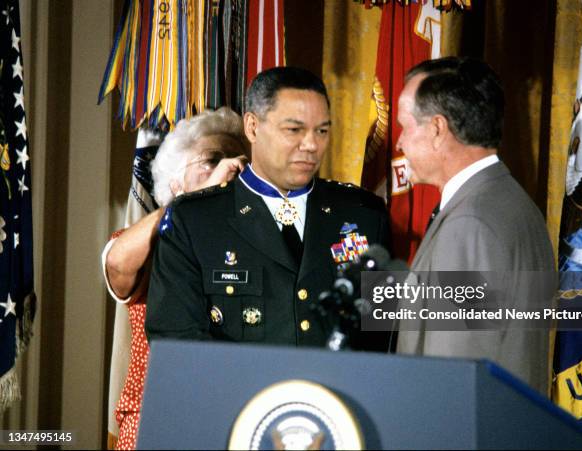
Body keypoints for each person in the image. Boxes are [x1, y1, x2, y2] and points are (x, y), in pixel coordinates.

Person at [145, 67, 391, 349]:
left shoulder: (364, 215)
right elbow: (175, 341)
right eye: (294, 129)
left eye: (322, 130)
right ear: (252, 127)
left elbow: (385, 339)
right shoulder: (194, 222)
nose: (311, 144)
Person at [394, 57, 555, 394]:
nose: (399, 143)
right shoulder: (512, 201)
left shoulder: (469, 225)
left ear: (438, 130)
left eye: (405, 127)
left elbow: (454, 380)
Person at [101, 107, 249, 450]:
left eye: (238, 159)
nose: (232, 167)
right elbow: (119, 263)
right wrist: (194, 204)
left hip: (231, 423)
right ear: (175, 182)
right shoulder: (151, 241)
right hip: (156, 421)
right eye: (212, 160)